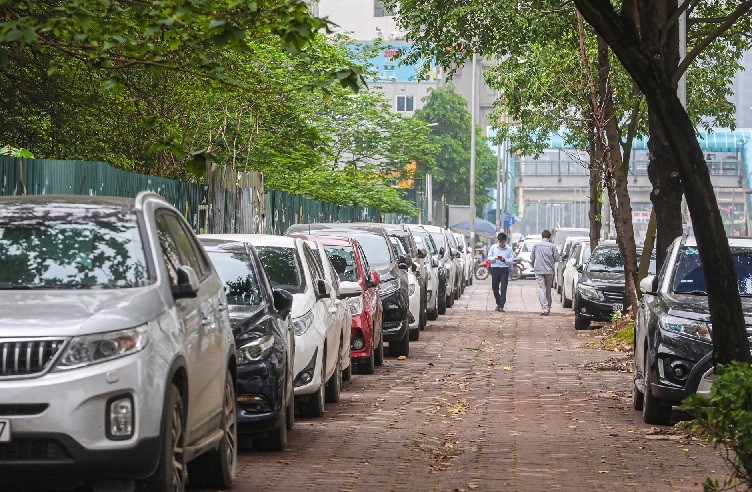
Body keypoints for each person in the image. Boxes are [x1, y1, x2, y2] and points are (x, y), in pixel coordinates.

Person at [530, 229, 560, 315]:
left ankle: (545, 308)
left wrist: (535, 265)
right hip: (549, 271)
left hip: (538, 270)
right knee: (548, 289)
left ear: (542, 236)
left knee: (541, 289)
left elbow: (531, 258)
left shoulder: (536, 246)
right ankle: (548, 307)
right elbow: (557, 259)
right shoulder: (552, 246)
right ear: (550, 237)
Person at [487, 232, 515, 312]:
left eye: (502, 242)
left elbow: (511, 260)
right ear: (498, 241)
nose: (501, 244)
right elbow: (488, 258)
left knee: (503, 288)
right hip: (495, 269)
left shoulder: (509, 249)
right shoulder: (493, 247)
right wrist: (494, 258)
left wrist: (504, 260)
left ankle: (501, 306)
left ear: (505, 241)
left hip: (504, 269)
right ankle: (499, 302)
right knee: (494, 288)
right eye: (500, 242)